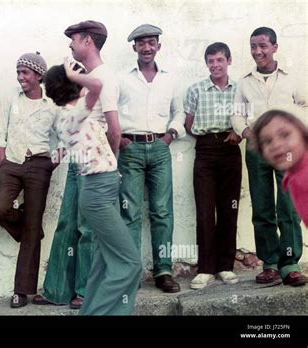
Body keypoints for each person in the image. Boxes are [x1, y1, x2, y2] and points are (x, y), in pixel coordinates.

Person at [45, 57, 142, 315]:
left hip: (103, 187)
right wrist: (73, 74)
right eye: (76, 76)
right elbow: (97, 85)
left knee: (103, 262)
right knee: (130, 263)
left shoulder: (76, 114)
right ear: (71, 85)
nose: (82, 75)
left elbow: (94, 89)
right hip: (97, 192)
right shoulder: (71, 117)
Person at [33, 20, 117, 310]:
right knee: (66, 223)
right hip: (76, 160)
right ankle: (56, 289)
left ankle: (85, 290)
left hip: (94, 164)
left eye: (74, 39)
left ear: (87, 41)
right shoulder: (82, 76)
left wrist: (111, 166)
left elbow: (114, 129)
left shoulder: (105, 76)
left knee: (87, 228)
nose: (70, 45)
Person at [230, 27, 307, 287]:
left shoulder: (290, 78)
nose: (257, 52)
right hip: (257, 151)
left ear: (274, 47)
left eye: (263, 46)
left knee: (288, 206)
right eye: (253, 46)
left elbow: (305, 105)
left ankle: (291, 264)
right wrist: (246, 131)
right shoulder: (244, 82)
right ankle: (271, 264)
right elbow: (236, 114)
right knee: (262, 208)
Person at [117, 24, 185, 293]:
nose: (147, 47)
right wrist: (120, 138)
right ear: (134, 47)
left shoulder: (169, 78)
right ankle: (131, 273)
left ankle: (164, 270)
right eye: (141, 43)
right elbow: (107, 109)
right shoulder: (121, 78)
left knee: (162, 211)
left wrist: (170, 134)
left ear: (158, 45)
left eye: (151, 42)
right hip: (130, 148)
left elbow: (179, 112)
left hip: (159, 148)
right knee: (129, 212)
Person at [0, 52, 58, 308]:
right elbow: (0, 133)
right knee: (0, 207)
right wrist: (3, 164)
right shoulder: (10, 97)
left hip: (40, 165)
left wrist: (53, 161)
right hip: (12, 162)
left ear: (39, 76)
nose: (20, 77)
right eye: (18, 72)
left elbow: (62, 135)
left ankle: (22, 290)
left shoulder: (52, 104)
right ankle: (31, 230)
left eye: (25, 73)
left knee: (32, 222)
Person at [184, 42, 242, 289]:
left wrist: (238, 133)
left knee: (229, 208)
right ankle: (206, 269)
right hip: (206, 151)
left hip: (231, 151)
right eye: (211, 61)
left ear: (229, 60)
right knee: (205, 210)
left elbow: (245, 119)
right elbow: (188, 124)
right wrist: (210, 139)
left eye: (220, 60)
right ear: (206, 63)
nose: (215, 65)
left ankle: (225, 267)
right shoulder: (196, 89)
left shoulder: (240, 90)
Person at [251, 109, 308, 230]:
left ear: (303, 132)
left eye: (285, 135)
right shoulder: (294, 175)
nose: (276, 145)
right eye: (267, 141)